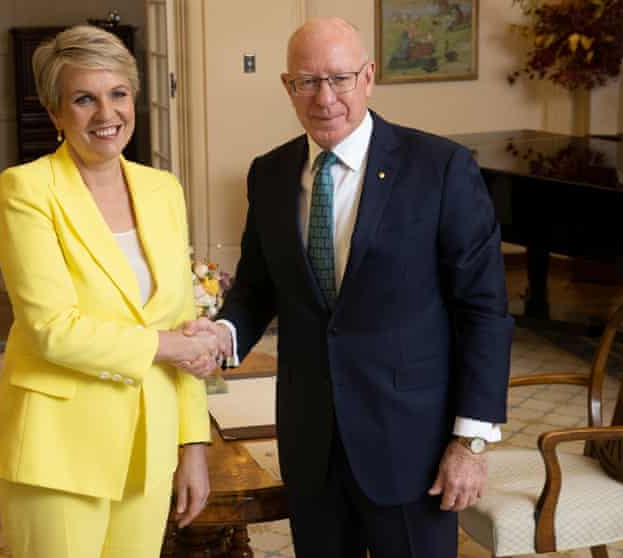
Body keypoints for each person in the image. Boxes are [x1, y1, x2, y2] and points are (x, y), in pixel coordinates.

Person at [188, 18, 513, 557]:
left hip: (412, 448)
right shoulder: (268, 174)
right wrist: (220, 333)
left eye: (339, 78)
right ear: (288, 87)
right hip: (311, 442)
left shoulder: (440, 169)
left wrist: (471, 441)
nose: (325, 97)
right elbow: (255, 290)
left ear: (368, 77)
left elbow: (485, 312)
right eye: (308, 82)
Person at [0, 25, 216, 558]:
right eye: (84, 99)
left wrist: (192, 445)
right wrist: (172, 347)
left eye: (118, 94)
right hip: (58, 449)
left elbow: (181, 317)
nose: (106, 114)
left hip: (150, 447)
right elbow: (52, 330)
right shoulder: (26, 189)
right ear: (55, 111)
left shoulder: (163, 190)